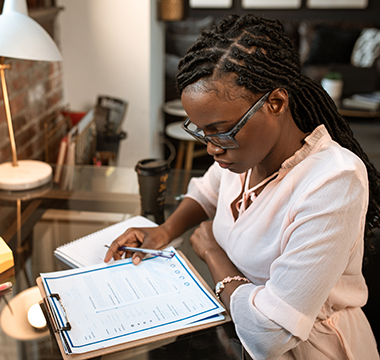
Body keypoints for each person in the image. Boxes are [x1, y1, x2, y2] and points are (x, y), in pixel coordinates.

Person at [104, 14, 380, 359]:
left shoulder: (333, 181)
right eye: (202, 132)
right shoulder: (243, 156)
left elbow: (270, 336)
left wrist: (212, 252)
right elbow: (207, 192)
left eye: (221, 130)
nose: (212, 148)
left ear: (276, 103)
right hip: (236, 334)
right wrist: (163, 231)